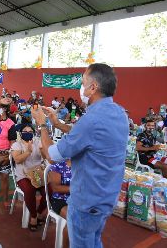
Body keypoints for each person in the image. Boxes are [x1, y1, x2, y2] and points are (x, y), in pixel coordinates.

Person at [31, 63, 128, 248]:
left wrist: (42, 124)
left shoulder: (92, 119)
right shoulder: (119, 113)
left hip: (86, 202)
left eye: (83, 83)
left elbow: (52, 156)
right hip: (106, 197)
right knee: (94, 241)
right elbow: (85, 135)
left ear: (93, 88)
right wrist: (57, 124)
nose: (80, 88)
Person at [11, 124, 47, 231]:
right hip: (23, 175)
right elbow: (17, 160)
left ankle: (40, 212)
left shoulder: (37, 141)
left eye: (30, 131)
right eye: (25, 132)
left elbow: (45, 157)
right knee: (29, 190)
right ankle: (33, 216)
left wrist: (43, 150)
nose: (28, 133)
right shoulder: (16, 145)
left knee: (49, 190)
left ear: (34, 132)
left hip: (37, 173)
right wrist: (28, 151)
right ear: (21, 133)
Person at [49, 159, 72, 248]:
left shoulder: (82, 165)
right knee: (73, 219)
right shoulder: (58, 166)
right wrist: (77, 188)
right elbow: (56, 188)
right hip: (60, 200)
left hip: (78, 199)